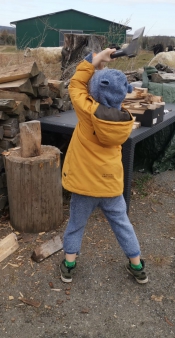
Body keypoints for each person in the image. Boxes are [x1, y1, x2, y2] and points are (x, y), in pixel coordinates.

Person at [59, 48, 148, 284]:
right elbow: (104, 92)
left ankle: (69, 265)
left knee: (76, 225)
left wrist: (93, 61)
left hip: (85, 186)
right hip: (110, 185)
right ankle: (137, 266)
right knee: (122, 225)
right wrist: (100, 69)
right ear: (123, 94)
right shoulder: (124, 118)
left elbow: (76, 85)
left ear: (94, 91)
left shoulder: (87, 111)